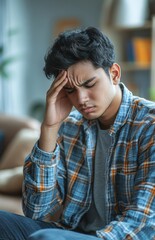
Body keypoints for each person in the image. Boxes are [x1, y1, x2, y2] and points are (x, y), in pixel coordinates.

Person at [0, 26, 155, 240]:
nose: (81, 99)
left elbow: (143, 222)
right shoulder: (70, 126)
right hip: (73, 234)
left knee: (47, 238)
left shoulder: (150, 125)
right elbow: (37, 212)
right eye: (71, 90)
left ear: (114, 74)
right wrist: (49, 127)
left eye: (89, 84)